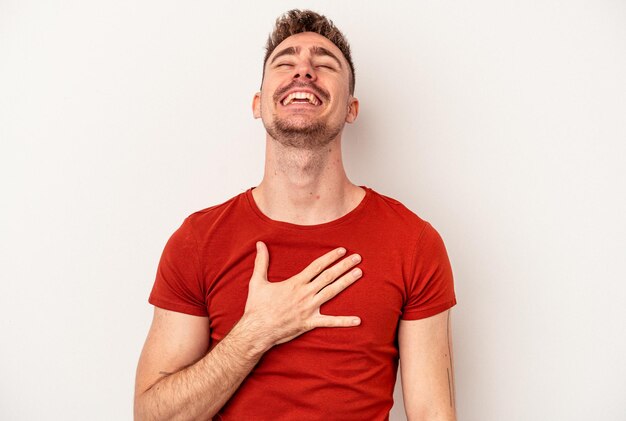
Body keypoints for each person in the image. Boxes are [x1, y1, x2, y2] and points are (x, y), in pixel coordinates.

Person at [134, 9, 457, 421]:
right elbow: (152, 416)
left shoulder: (413, 243)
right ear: (258, 104)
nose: (303, 70)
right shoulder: (198, 240)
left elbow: (433, 413)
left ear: (351, 108)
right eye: (285, 63)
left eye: (324, 64)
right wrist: (257, 331)